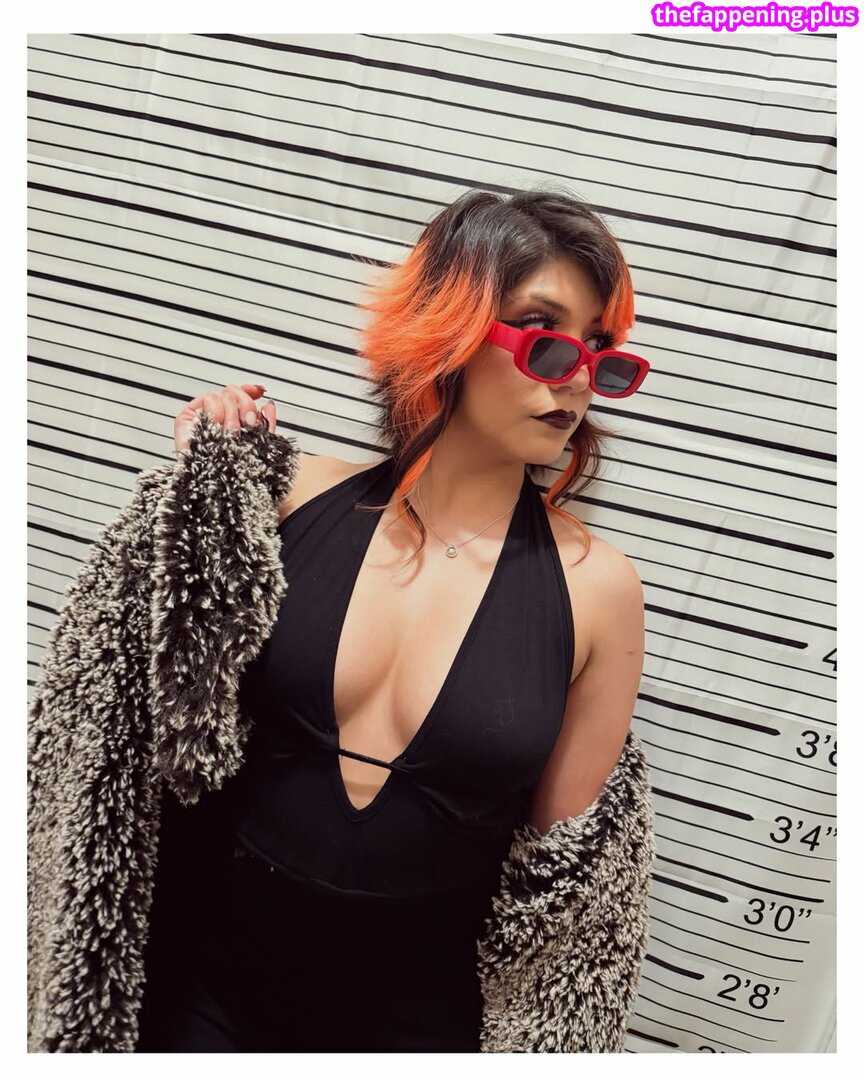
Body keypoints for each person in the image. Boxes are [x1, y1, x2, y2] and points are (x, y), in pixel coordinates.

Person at [27, 186, 655, 1054]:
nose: (578, 381)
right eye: (546, 338)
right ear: (448, 327)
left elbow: (564, 902)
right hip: (196, 993)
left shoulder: (600, 592)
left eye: (602, 355)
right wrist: (205, 493)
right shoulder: (285, 498)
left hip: (415, 1029)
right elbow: (139, 718)